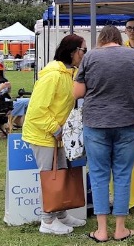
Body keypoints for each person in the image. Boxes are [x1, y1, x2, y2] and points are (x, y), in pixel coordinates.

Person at [74, 25, 134, 243]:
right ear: (119, 38)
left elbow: (78, 92)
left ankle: (102, 230)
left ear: (101, 39)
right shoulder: (133, 55)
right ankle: (121, 228)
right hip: (127, 120)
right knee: (123, 174)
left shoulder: (91, 57)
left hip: (96, 122)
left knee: (98, 174)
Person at [21, 34, 88, 235]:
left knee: (61, 173)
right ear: (74, 52)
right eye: (83, 51)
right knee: (50, 177)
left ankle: (60, 214)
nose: (85, 55)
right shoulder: (53, 75)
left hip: (56, 135)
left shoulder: (69, 74)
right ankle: (47, 220)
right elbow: (37, 110)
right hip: (44, 135)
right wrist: (56, 129)